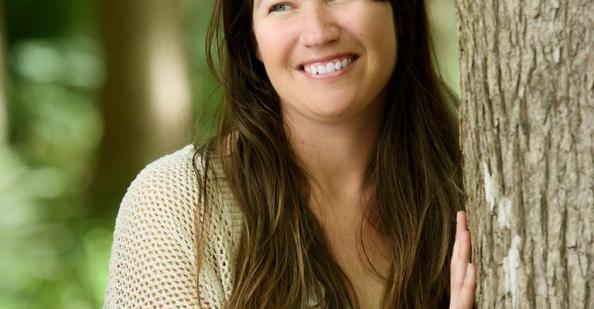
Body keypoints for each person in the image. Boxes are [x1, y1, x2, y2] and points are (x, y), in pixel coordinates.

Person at [104, 0, 476, 308]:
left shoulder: (474, 184)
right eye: (281, 5)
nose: (318, 32)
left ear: (401, 11)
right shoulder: (175, 204)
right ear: (252, 40)